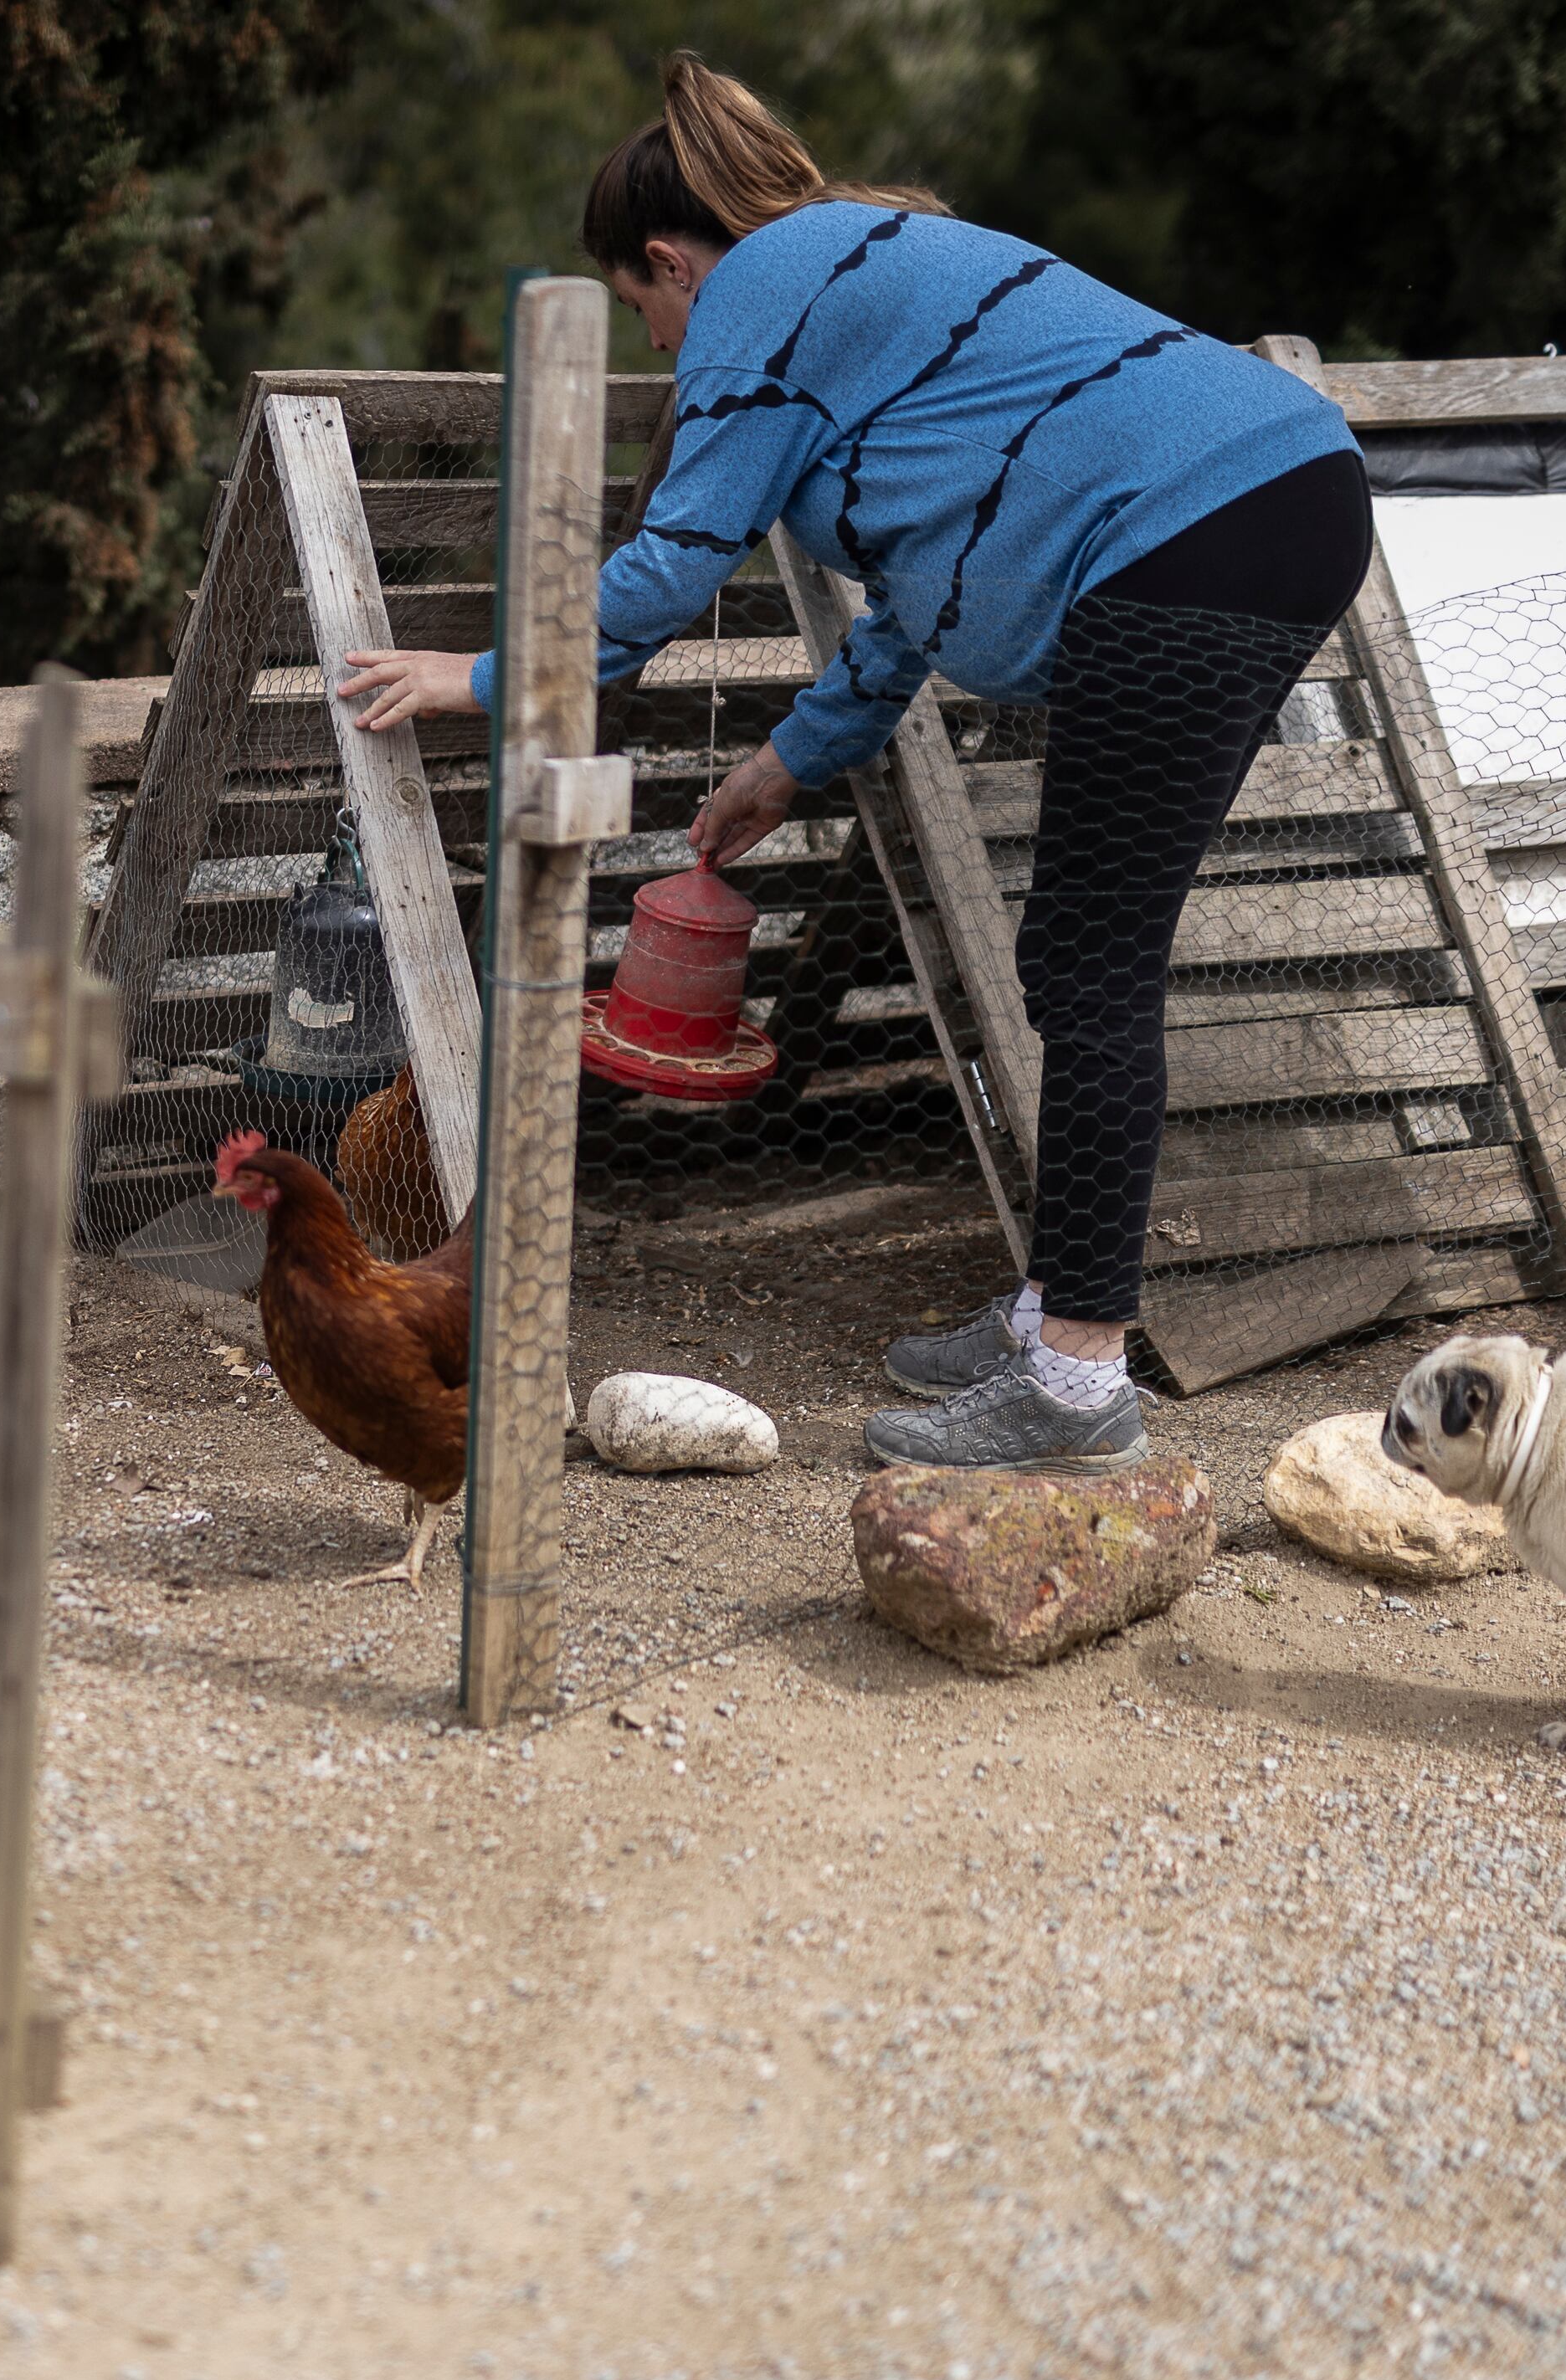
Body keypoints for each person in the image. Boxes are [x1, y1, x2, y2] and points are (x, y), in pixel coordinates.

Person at [336, 53, 1373, 1475]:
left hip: (1196, 530)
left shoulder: (762, 292)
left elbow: (673, 562)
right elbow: (917, 599)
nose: (658, 352)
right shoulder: (854, 280)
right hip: (1256, 503)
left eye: (643, 311)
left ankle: (1075, 1386)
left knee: (1090, 957)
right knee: (1081, 951)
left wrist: (482, 679)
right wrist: (790, 758)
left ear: (664, 260)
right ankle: (1048, 1324)